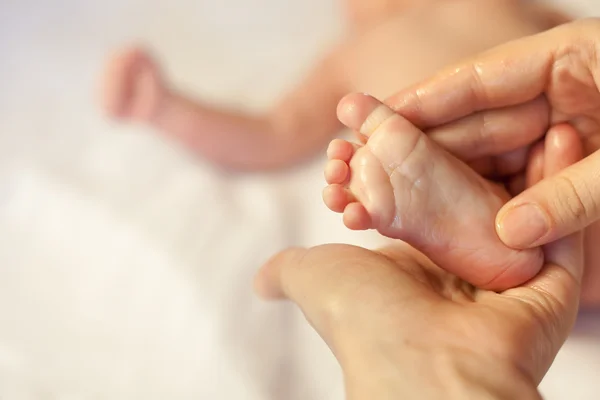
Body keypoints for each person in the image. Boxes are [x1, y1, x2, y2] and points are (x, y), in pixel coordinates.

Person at [253, 124, 583, 399]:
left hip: (458, 121)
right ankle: (499, 224)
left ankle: (483, 216)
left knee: (556, 215)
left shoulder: (354, 55)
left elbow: (280, 130)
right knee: (569, 236)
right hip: (521, 124)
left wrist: (271, 278)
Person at [100, 0, 567, 171]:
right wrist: (168, 109)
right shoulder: (349, 55)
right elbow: (272, 133)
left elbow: (582, 54)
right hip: (452, 186)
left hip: (565, 146)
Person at [382, 17, 600, 306]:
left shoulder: (374, 38)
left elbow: (303, 114)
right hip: (546, 132)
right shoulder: (506, 9)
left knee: (395, 129)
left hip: (492, 136)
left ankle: (471, 220)